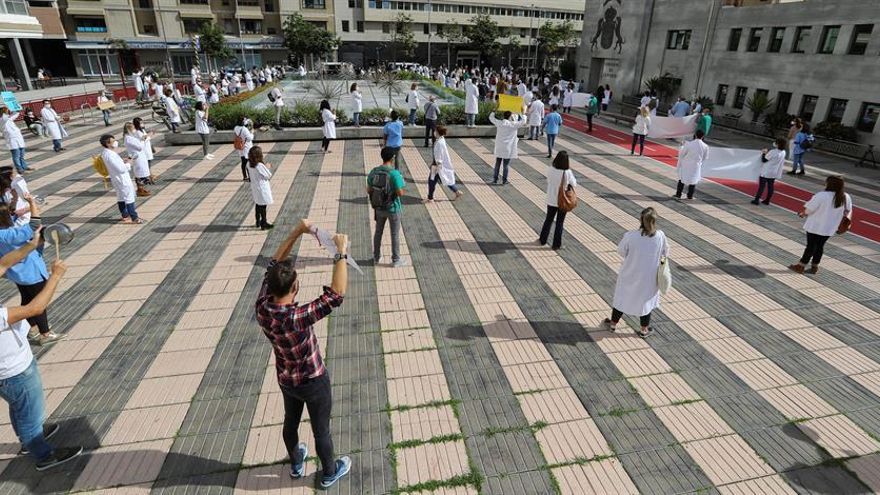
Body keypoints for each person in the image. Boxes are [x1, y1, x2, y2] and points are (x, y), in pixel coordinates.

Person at [255, 219, 352, 488]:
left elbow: (273, 264)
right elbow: (336, 295)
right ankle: (330, 472)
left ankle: (296, 460)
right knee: (321, 429)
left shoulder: (262, 307)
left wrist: (298, 230)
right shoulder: (297, 316)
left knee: (291, 421)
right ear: (294, 289)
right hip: (313, 380)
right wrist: (341, 252)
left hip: (286, 379)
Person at [0, 250, 82, 471]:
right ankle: (42, 453)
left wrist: (31, 244)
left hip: (9, 370)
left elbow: (3, 265)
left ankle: (30, 435)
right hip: (14, 372)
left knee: (20, 407)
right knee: (28, 412)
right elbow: (34, 309)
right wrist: (55, 276)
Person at [604, 207, 669, 338]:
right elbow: (665, 253)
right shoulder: (660, 236)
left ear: (640, 220)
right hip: (649, 277)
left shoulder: (631, 236)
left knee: (622, 297)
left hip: (630, 273)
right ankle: (644, 330)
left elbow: (621, 251)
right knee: (645, 301)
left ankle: (613, 324)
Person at [789, 175, 852, 275]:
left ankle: (801, 265)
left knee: (811, 246)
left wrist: (802, 214)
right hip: (830, 227)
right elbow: (847, 211)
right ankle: (815, 266)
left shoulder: (822, 195)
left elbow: (809, 209)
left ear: (829, 184)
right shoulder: (845, 197)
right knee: (820, 246)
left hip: (815, 226)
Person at [367, 147, 406, 267]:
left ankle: (376, 257)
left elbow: (369, 190)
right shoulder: (394, 174)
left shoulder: (374, 171)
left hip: (378, 208)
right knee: (394, 234)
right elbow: (400, 193)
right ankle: (396, 260)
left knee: (378, 232)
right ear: (393, 158)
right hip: (393, 208)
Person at [100, 134, 142, 224]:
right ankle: (134, 217)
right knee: (129, 197)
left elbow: (116, 165)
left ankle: (125, 215)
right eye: (113, 141)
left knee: (121, 197)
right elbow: (121, 169)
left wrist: (123, 161)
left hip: (116, 178)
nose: (116, 142)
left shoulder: (106, 153)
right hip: (122, 178)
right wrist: (129, 163)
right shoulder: (110, 155)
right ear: (107, 144)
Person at [539, 151, 577, 250]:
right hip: (562, 201)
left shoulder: (551, 169)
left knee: (548, 219)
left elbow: (548, 180)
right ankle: (556, 244)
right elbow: (574, 183)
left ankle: (543, 239)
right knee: (560, 222)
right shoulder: (567, 172)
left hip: (551, 199)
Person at [488, 111, 527, 185]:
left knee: (497, 163)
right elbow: (523, 121)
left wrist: (493, 111)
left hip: (500, 147)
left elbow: (491, 118)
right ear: (510, 117)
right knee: (506, 165)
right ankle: (504, 180)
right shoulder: (513, 125)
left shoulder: (499, 123)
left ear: (504, 116)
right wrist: (521, 112)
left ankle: (495, 179)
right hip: (508, 148)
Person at [427, 126, 463, 203]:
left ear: (437, 132)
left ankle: (430, 199)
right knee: (445, 180)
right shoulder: (441, 139)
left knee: (431, 181)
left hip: (437, 166)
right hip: (439, 165)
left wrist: (435, 166)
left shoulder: (439, 143)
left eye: (435, 131)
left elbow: (439, 156)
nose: (434, 132)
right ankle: (457, 192)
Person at [674, 130, 709, 200]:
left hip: (686, 164)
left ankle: (678, 194)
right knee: (693, 180)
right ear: (703, 136)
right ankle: (690, 195)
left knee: (682, 178)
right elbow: (705, 157)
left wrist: (681, 147)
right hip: (696, 165)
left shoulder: (689, 144)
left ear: (695, 135)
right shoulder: (705, 146)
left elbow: (682, 154)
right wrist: (699, 162)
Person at [752, 138, 786, 205]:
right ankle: (767, 200)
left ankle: (756, 200)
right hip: (774, 172)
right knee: (771, 187)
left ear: (778, 144)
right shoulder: (783, 152)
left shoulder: (773, 151)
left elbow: (764, 160)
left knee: (762, 186)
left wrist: (764, 153)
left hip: (766, 171)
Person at [248, 146, 274, 230]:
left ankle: (258, 221)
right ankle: (264, 223)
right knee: (263, 205)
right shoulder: (259, 165)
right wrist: (268, 167)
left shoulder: (249, 164)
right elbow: (268, 175)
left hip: (255, 187)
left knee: (258, 204)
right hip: (262, 187)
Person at [123, 122, 151, 197]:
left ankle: (142, 188)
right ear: (129, 129)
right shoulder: (128, 138)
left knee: (142, 172)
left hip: (140, 156)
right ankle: (140, 189)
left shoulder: (131, 137)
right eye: (133, 128)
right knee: (139, 173)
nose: (134, 129)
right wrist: (142, 140)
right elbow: (139, 147)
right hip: (137, 157)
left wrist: (141, 140)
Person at [1, 107, 29, 174]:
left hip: (18, 138)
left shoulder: (8, 119)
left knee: (22, 154)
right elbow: (5, 117)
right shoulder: (1, 120)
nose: (8, 112)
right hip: (11, 140)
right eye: (6, 111)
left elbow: (15, 114)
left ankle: (24, 166)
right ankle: (20, 169)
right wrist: (6, 108)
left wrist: (16, 108)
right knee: (16, 155)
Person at [132, 117, 156, 183]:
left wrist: (152, 147)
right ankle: (148, 177)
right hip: (144, 150)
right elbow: (143, 139)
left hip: (147, 149)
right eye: (141, 123)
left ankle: (150, 176)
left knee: (149, 163)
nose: (142, 124)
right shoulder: (137, 132)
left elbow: (146, 138)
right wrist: (150, 135)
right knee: (147, 164)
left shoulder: (142, 130)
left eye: (143, 122)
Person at [234, 117, 254, 182]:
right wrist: (252, 133)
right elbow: (249, 138)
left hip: (240, 147)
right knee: (248, 162)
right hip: (246, 147)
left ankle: (245, 176)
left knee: (243, 162)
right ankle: (250, 177)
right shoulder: (244, 129)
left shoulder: (236, 128)